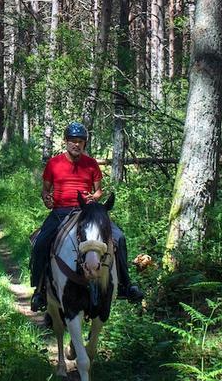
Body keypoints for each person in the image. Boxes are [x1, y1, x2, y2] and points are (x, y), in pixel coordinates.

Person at [29, 121, 143, 312]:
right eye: (73, 141)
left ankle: (126, 285)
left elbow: (99, 191)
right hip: (61, 212)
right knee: (41, 242)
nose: (76, 144)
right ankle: (39, 290)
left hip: (88, 212)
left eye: (80, 141)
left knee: (119, 237)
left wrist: (94, 197)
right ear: (65, 141)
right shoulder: (54, 163)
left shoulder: (91, 164)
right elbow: (45, 190)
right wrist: (46, 199)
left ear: (84, 144)